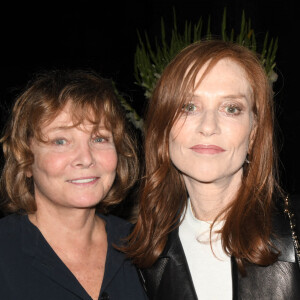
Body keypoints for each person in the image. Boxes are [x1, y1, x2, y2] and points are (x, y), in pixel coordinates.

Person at [122, 40, 300, 299]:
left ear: (254, 133)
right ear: (163, 128)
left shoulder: (294, 226)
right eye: (189, 107)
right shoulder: (139, 257)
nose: (208, 126)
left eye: (231, 109)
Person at [0, 69, 148, 300]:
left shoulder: (144, 249)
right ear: (26, 160)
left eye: (99, 138)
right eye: (61, 141)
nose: (86, 158)